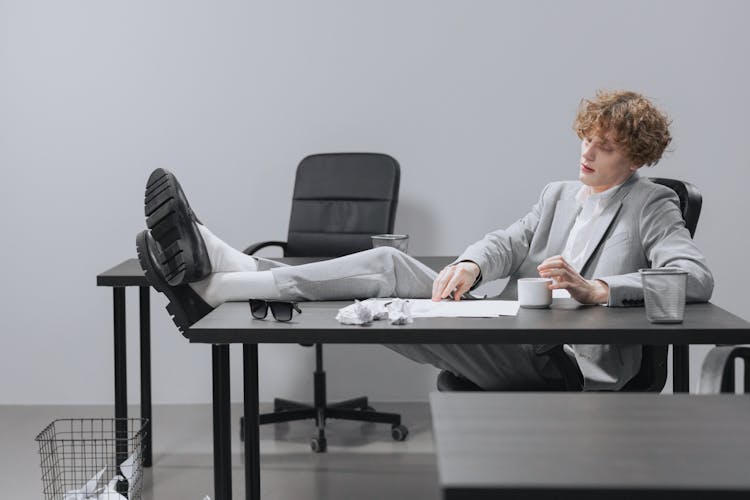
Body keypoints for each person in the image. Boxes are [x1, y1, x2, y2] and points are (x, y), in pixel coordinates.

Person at [136, 90, 713, 391]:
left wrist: (599, 290)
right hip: (517, 330)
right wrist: (468, 265)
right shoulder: (560, 194)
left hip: (566, 363)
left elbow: (694, 278)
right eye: (586, 139)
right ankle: (233, 273)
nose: (587, 153)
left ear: (636, 155)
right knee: (390, 265)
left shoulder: (651, 204)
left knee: (394, 313)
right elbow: (506, 242)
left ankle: (222, 282)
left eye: (605, 146)